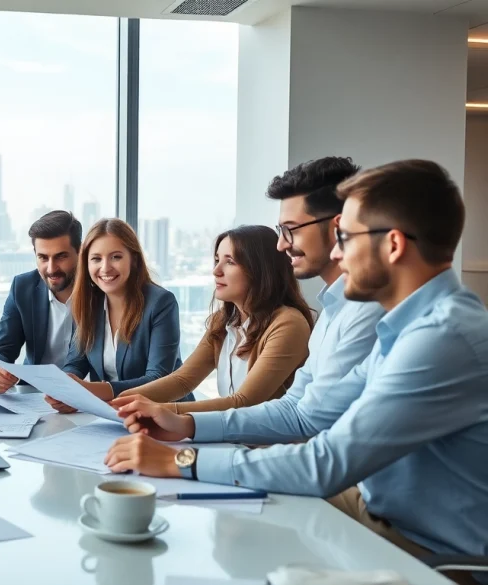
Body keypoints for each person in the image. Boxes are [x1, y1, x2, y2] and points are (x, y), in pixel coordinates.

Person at [105, 160, 488, 577]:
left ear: (393, 245)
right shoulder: (404, 324)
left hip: (422, 550)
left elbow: (326, 462)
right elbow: (301, 412)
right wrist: (187, 429)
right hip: (374, 507)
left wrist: (182, 460)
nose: (339, 252)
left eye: (346, 238)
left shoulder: (440, 337)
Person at [112, 156, 382, 441]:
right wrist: (123, 402)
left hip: (271, 453)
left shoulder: (304, 321)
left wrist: (172, 416)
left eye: (291, 229)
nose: (282, 244)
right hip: (251, 448)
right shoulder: (330, 312)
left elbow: (273, 411)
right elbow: (296, 410)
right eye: (281, 231)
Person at [117, 225, 314, 413]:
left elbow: (244, 402)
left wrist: (159, 411)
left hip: (268, 445)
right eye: (217, 260)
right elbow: (183, 380)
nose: (216, 271)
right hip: (229, 438)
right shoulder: (223, 321)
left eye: (230, 262)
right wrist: (121, 401)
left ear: (261, 269)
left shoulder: (289, 323)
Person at [50, 218, 183, 413]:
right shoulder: (88, 303)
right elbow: (75, 363)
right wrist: (64, 391)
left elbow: (158, 378)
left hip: (163, 414)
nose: (105, 268)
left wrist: (90, 391)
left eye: (116, 257)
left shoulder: (161, 303)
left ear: (134, 259)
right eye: (96, 259)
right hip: (109, 415)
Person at [0, 210, 81, 393]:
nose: (51, 269)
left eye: (61, 256)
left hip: (87, 395)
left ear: (80, 252)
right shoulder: (22, 287)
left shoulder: (100, 291)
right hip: (33, 395)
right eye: (43, 257)